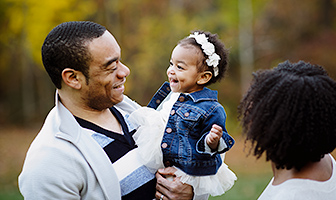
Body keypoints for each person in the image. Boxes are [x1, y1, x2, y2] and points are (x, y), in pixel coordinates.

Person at [18, 21, 193, 200]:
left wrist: (191, 193)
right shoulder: (48, 164)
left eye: (120, 60)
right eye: (111, 67)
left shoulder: (129, 111)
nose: (125, 71)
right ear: (73, 78)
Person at [127, 31, 236, 200]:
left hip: (187, 169)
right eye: (171, 64)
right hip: (164, 157)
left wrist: (212, 141)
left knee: (170, 191)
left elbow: (219, 140)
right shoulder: (171, 95)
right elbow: (154, 117)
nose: (171, 71)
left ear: (203, 77)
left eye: (180, 67)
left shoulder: (211, 108)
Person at [238, 60, 336, 200]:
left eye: (261, 109)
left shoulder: (290, 195)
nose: (249, 110)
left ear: (284, 126)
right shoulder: (323, 159)